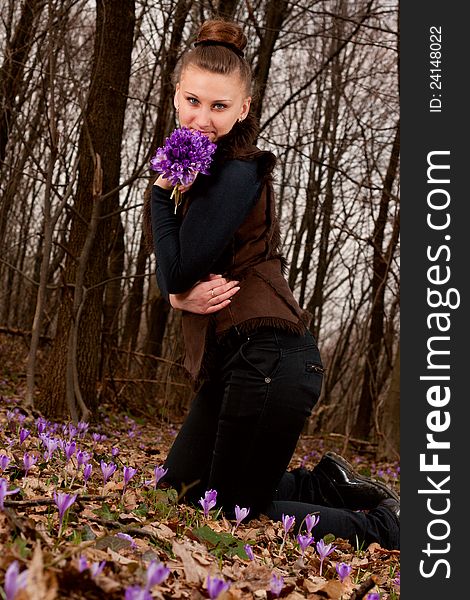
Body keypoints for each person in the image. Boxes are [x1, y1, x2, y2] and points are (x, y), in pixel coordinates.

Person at [144, 18, 399, 551]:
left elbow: (178, 270)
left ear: (244, 108)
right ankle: (325, 485)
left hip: (272, 360)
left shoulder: (237, 170)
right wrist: (176, 286)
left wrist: (157, 194)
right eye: (193, 101)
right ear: (175, 96)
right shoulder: (202, 173)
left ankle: (389, 526)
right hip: (235, 358)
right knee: (182, 492)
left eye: (220, 107)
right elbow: (179, 275)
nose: (203, 118)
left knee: (237, 512)